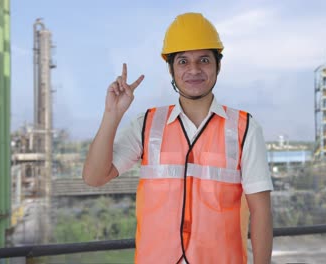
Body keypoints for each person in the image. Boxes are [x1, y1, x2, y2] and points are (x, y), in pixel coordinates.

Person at [83, 12, 273, 264]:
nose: (194, 69)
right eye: (183, 61)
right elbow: (95, 177)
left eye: (204, 60)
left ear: (218, 65)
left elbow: (261, 212)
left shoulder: (244, 128)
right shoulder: (148, 125)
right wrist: (112, 114)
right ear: (171, 69)